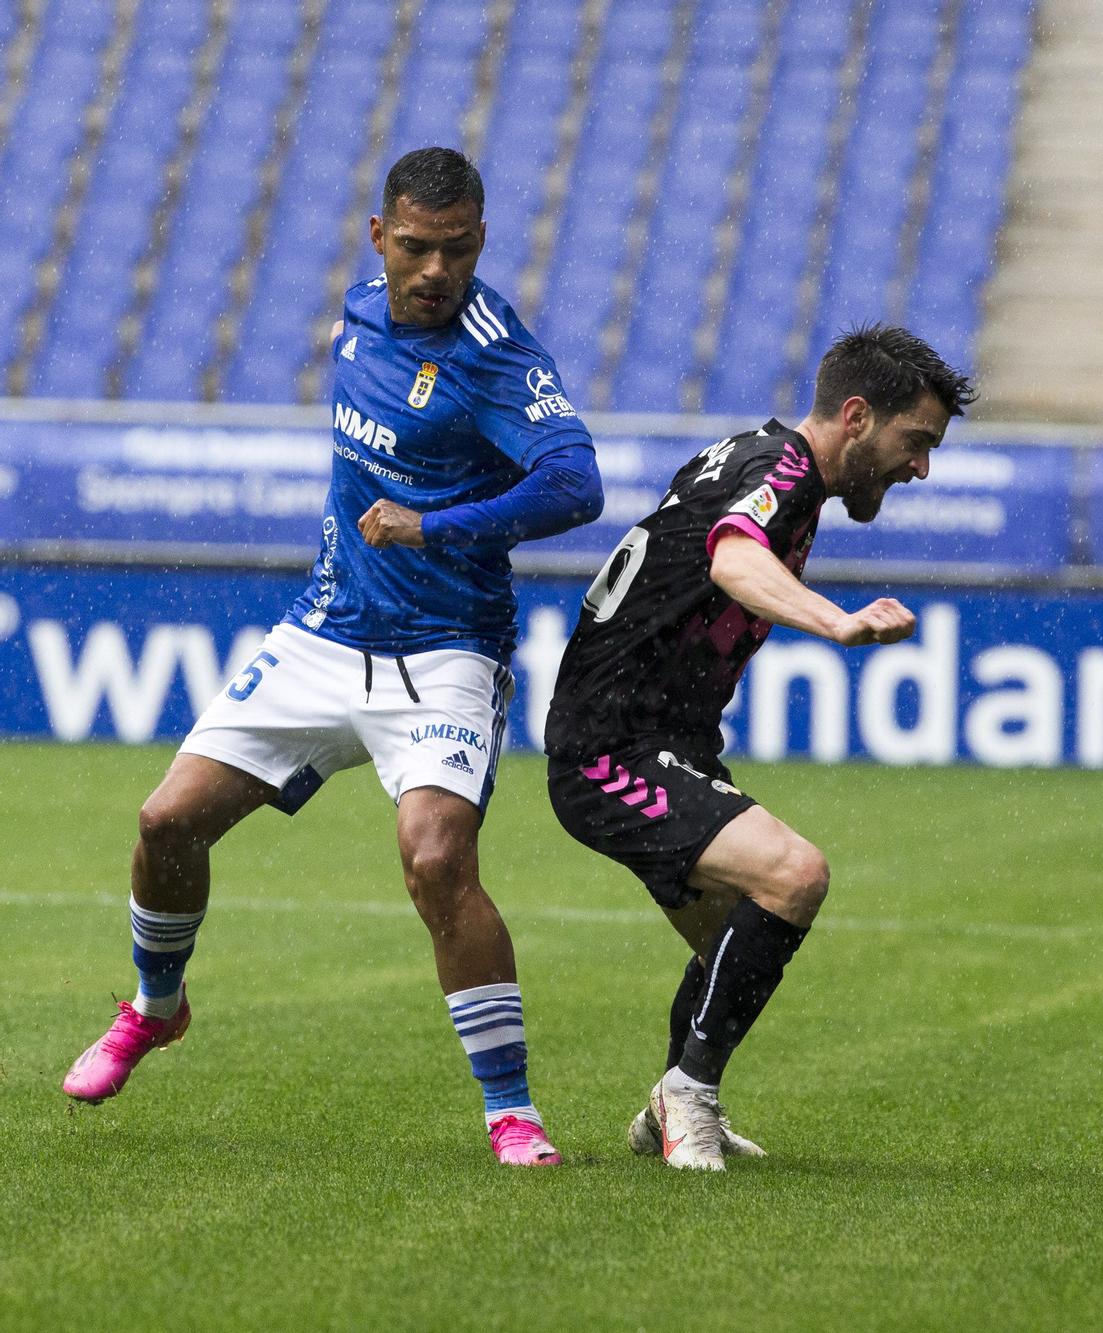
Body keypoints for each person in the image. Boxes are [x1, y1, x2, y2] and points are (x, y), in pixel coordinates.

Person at [62, 147, 603, 1167]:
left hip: (446, 652)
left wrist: (440, 525)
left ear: (480, 241)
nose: (433, 270)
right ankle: (155, 1007)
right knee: (165, 821)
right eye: (413, 248)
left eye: (454, 250)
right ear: (378, 238)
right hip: (324, 633)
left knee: (437, 859)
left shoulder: (497, 358)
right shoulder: (359, 313)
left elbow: (576, 484)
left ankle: (511, 1110)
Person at [542, 324, 973, 1171]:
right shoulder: (779, 471)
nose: (921, 467)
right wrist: (837, 621)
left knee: (732, 947)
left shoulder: (762, 462)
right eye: (914, 442)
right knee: (794, 874)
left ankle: (673, 1096)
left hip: (663, 743)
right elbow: (736, 559)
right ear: (856, 415)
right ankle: (690, 1098)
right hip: (610, 750)